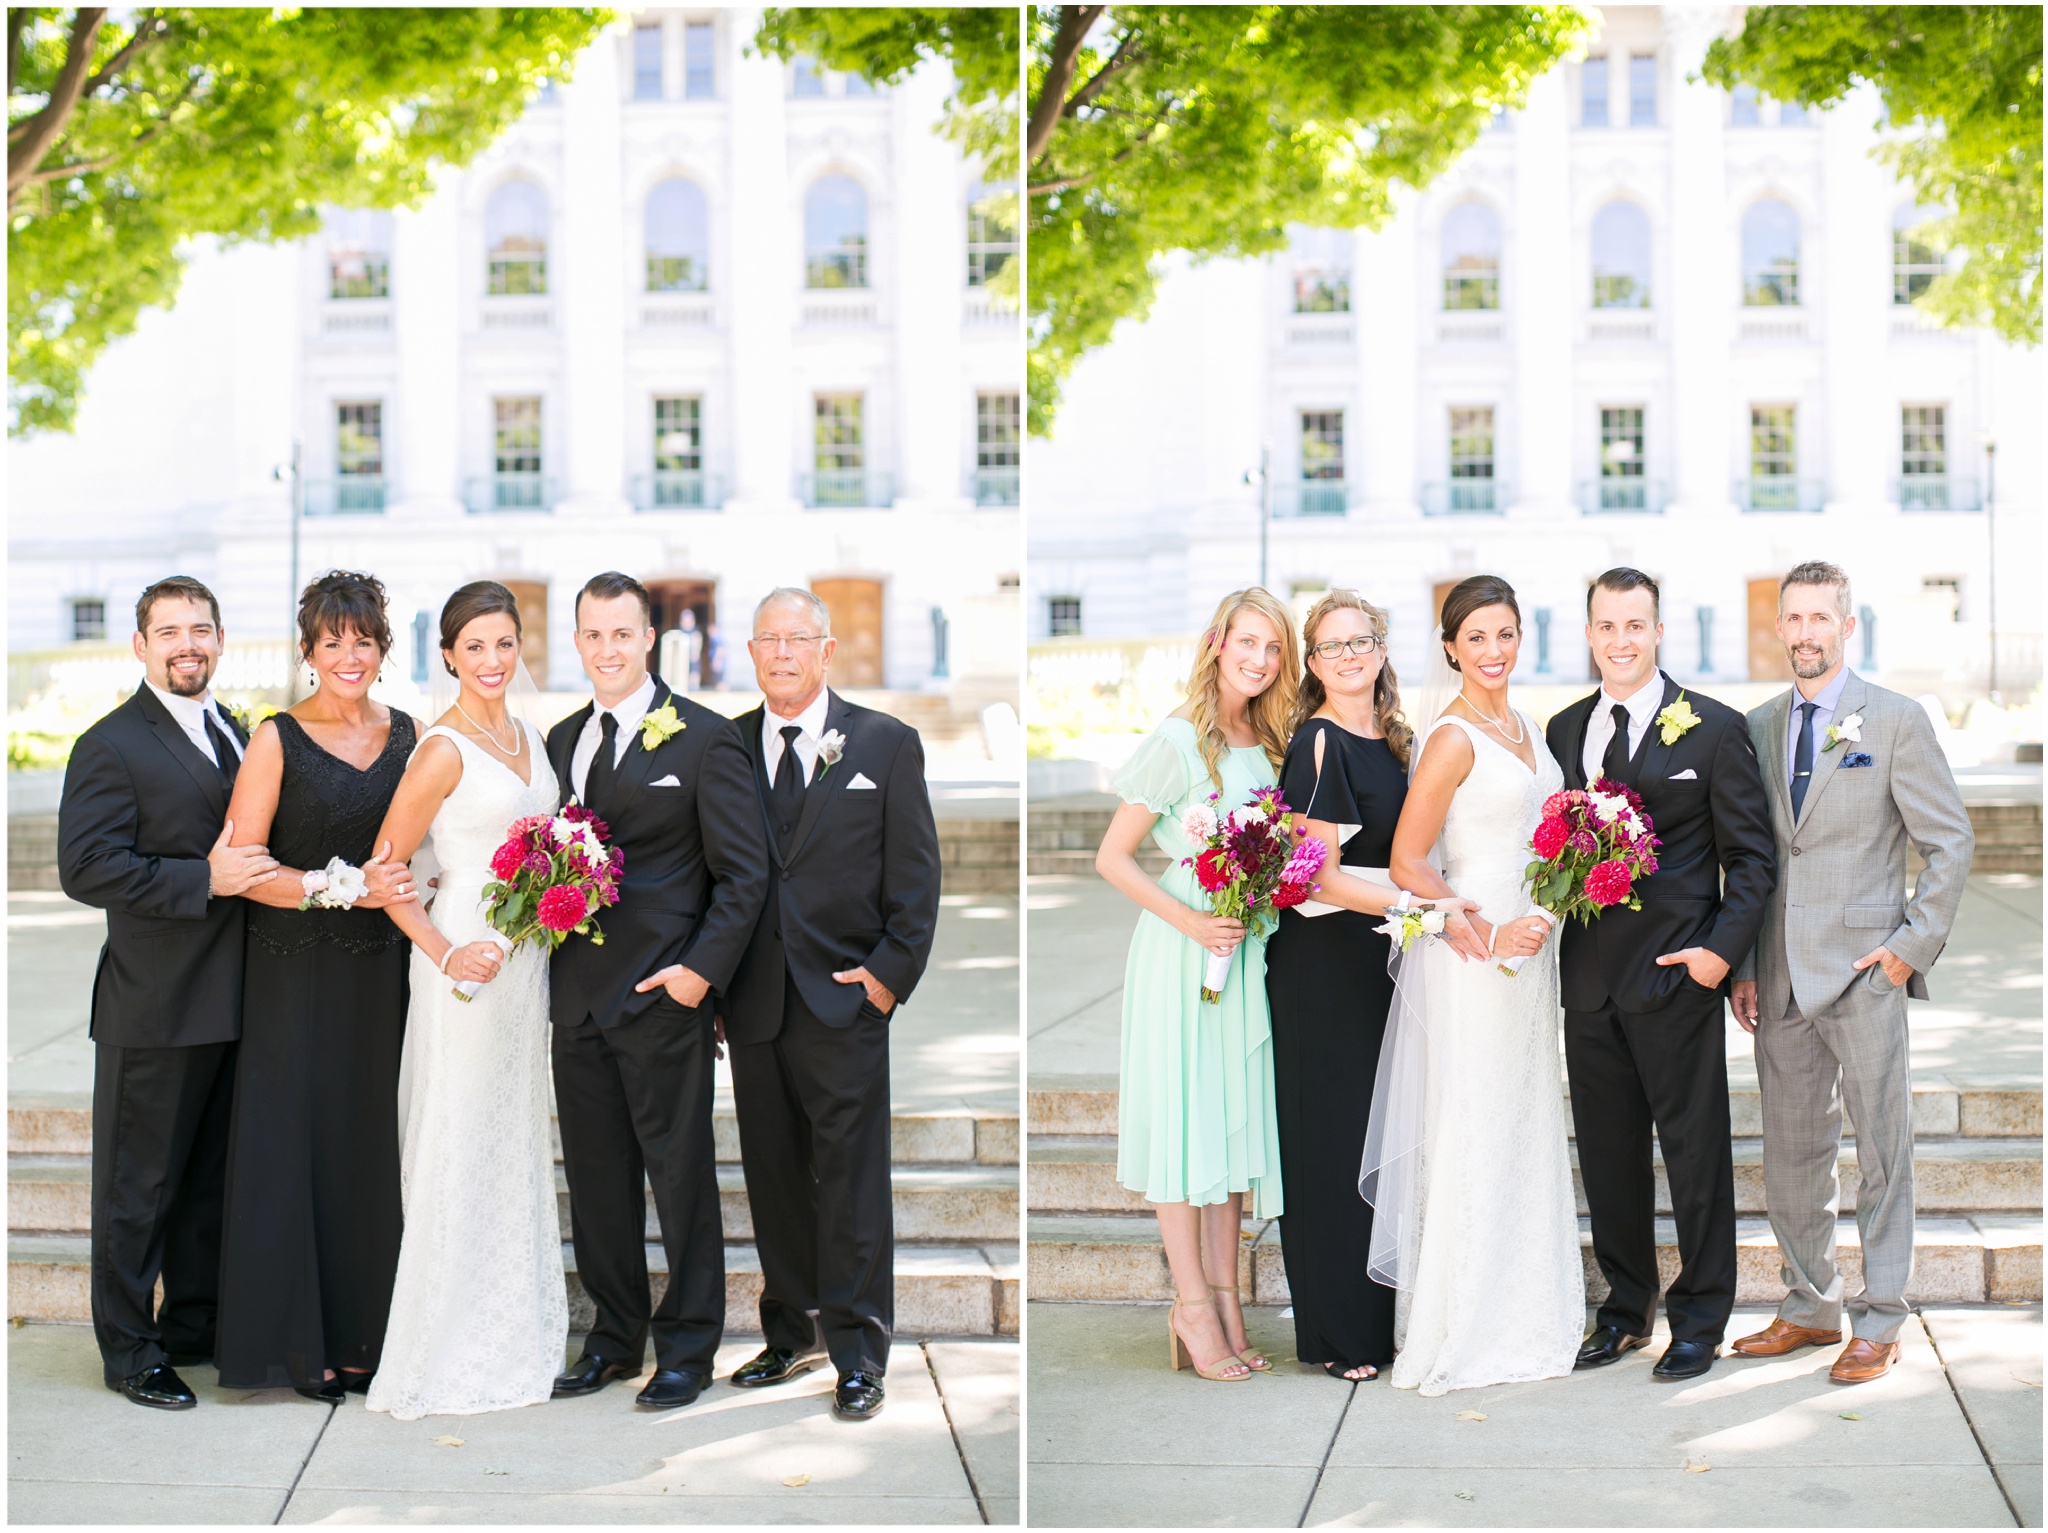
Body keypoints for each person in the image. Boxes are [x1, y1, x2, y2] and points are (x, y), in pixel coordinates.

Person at [1730, 561, 1972, 1385]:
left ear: (1846, 625)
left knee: (1881, 1151)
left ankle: (1880, 1316)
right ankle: (1808, 1303)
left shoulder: (1896, 720)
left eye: (1818, 619)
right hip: (1782, 978)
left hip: (1869, 970)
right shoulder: (1760, 724)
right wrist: (1750, 968)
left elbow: (1950, 840)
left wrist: (1911, 945)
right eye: (1791, 620)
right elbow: (1761, 856)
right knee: (1793, 1152)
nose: (1803, 633)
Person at [1541, 568, 1776, 1382]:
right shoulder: (1565, 727)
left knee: (1695, 1151)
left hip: (1680, 975)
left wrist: (1718, 953)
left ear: (1659, 630)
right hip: (1589, 979)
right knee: (1608, 1154)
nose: (1620, 640)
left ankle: (1701, 1316)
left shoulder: (1714, 728)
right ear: (1589, 633)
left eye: (1634, 625)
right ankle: (1624, 1307)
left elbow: (1750, 858)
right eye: (1606, 625)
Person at [544, 573, 769, 1410]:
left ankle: (688, 1345)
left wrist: (698, 975)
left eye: (622, 633)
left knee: (680, 1177)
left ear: (650, 639)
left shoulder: (706, 739)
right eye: (593, 635)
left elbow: (742, 876)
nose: (608, 649)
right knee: (599, 1180)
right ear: (578, 643)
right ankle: (612, 1337)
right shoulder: (562, 738)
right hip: (577, 1000)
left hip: (664, 997)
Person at [721, 587, 943, 1421]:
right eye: (768, 638)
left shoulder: (885, 743)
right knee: (774, 1178)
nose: (782, 652)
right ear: (751, 651)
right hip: (751, 1005)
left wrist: (888, 975)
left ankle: (858, 1351)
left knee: (851, 1183)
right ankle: (789, 1333)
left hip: (846, 1000)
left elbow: (915, 877)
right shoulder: (727, 745)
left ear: (826, 647)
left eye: (797, 638)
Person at [58, 577, 276, 1409]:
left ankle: (193, 1325)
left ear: (220, 639)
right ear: (141, 645)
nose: (188, 644)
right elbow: (87, 867)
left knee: (204, 1184)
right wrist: (205, 878)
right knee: (137, 1189)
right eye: (169, 631)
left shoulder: (235, 729)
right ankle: (128, 1348)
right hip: (154, 1001)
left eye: (201, 629)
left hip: (233, 1001)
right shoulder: (110, 744)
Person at [1365, 575, 1584, 1396]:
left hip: (1536, 950)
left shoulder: (1527, 725)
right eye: (1477, 637)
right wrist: (1486, 931)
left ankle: (1526, 1308)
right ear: (1450, 647)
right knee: (1478, 1120)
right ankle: (1467, 1323)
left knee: (1523, 1119)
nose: (1493, 651)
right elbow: (1408, 862)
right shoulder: (1453, 737)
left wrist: (1554, 904)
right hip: (1477, 955)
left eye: (1506, 634)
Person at [365, 582, 568, 1420]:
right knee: (462, 1134)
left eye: (504, 643)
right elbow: (385, 869)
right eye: (474, 645)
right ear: (447, 653)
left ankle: (512, 1325)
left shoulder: (528, 734)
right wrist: (448, 951)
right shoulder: (442, 749)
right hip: (466, 967)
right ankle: (444, 1341)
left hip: (527, 966)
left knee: (511, 1135)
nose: (492, 660)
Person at [214, 572, 418, 1401]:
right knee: (296, 1146)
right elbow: (242, 868)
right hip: (293, 974)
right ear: (308, 652)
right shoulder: (276, 739)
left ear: (382, 648)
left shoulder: (409, 735)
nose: (348, 655)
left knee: (369, 1146)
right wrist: (337, 888)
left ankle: (370, 1330)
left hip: (383, 976)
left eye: (362, 640)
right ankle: (305, 1345)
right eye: (331, 642)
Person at [1264, 591, 1472, 1384]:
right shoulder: (1320, 741)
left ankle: (1377, 1322)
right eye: (1331, 646)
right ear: (1313, 665)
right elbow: (1311, 872)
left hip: (1383, 957)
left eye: (1362, 641)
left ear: (1382, 650)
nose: (1349, 655)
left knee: (1382, 1139)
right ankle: (1337, 1334)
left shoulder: (1395, 741)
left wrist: (1429, 898)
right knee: (1336, 1140)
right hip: (1324, 963)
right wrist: (1423, 905)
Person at [1095, 587, 1296, 1384]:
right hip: (1185, 954)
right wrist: (1191, 924)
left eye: (1273, 648)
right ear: (1218, 642)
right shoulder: (1180, 739)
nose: (1259, 659)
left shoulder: (1269, 740)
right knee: (1186, 1130)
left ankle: (1225, 1298)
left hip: (1243, 953)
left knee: (1228, 1131)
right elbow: (1112, 858)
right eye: (1248, 641)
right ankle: (1189, 1305)